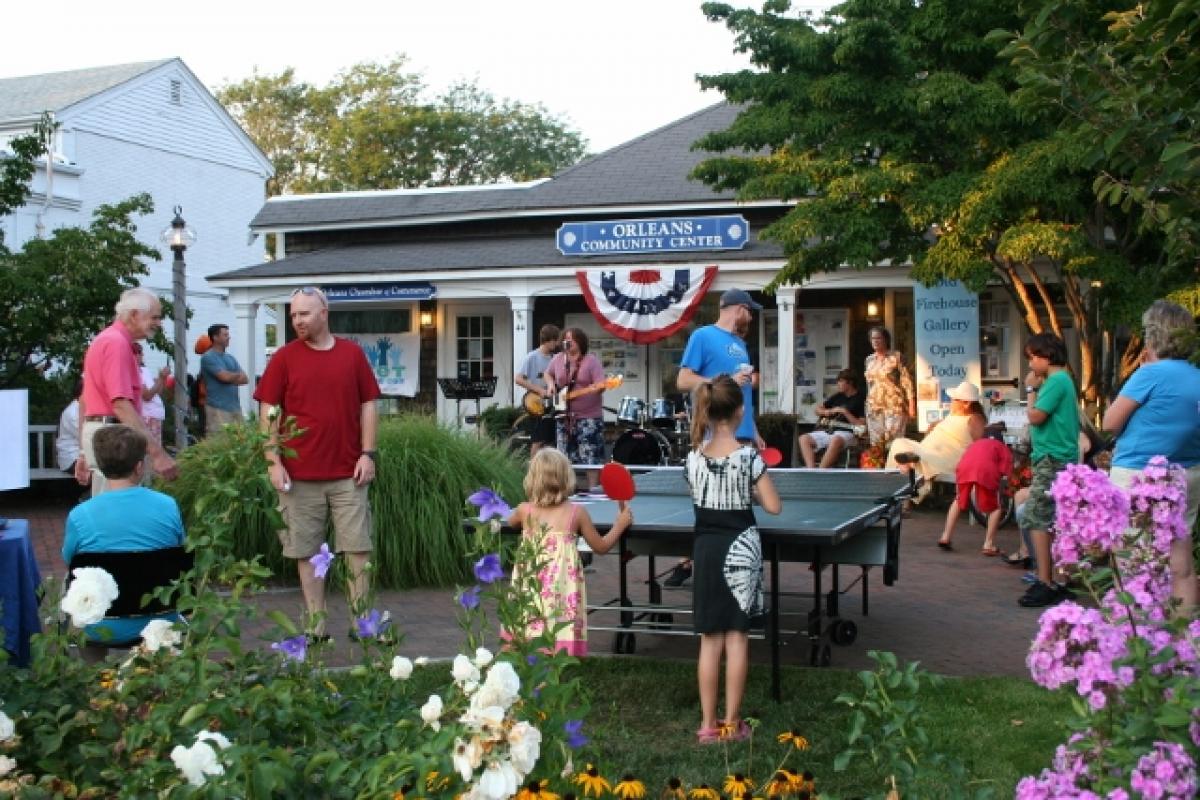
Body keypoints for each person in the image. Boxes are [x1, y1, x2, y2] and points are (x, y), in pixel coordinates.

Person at [254, 286, 382, 640]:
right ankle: (316, 626)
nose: (297, 321)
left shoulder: (352, 355)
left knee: (357, 548)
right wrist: (272, 461)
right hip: (298, 475)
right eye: (293, 315)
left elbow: (368, 404)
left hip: (348, 474)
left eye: (304, 314)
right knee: (306, 551)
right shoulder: (283, 358)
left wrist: (367, 453)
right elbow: (268, 411)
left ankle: (362, 623)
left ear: (324, 313)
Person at [687, 374, 781, 744]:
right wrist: (752, 491)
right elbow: (773, 506)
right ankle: (731, 723)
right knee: (737, 637)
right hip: (741, 546)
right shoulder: (749, 458)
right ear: (740, 411)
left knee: (710, 639)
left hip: (706, 549)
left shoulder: (693, 458)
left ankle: (707, 726)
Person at [1103, 299, 1200, 609]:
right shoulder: (1197, 377)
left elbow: (1109, 422)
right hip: (1188, 472)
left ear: (1153, 335)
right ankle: (1185, 639)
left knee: (1129, 557)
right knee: (1181, 562)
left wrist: (1143, 373)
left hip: (1137, 472)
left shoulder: (1149, 375)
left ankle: (1134, 636)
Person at [668, 288, 765, 587]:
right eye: (749, 311)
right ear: (738, 309)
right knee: (711, 505)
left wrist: (754, 429)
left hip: (744, 436)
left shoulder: (740, 343)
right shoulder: (703, 336)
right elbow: (683, 380)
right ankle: (691, 561)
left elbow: (742, 396)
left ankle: (738, 565)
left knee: (740, 506)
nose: (750, 316)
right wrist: (721, 381)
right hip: (715, 435)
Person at [61, 425, 186, 646]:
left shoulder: (80, 515)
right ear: (139, 467)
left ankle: (97, 674)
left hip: (102, 622)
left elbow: (70, 560)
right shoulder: (168, 506)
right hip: (161, 620)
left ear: (100, 465)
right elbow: (178, 549)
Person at [505, 448, 633, 655]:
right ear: (566, 478)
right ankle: (552, 673)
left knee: (529, 625)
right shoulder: (576, 513)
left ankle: (534, 678)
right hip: (561, 587)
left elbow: (509, 522)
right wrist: (620, 524)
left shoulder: (523, 511)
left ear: (532, 479)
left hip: (531, 583)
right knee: (558, 628)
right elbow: (600, 547)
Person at [75, 287, 178, 495]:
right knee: (116, 513)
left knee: (108, 508)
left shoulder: (106, 339)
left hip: (102, 432)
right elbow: (121, 404)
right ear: (134, 315)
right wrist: (157, 453)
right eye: (155, 317)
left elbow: (85, 400)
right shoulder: (116, 344)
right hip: (114, 437)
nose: (158, 323)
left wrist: (84, 451)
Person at [1018, 333, 1080, 608]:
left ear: (1046, 355)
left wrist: (1030, 391)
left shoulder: (1055, 381)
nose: (1030, 364)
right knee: (1051, 518)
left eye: (1032, 357)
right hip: (1056, 455)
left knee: (1037, 517)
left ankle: (1045, 581)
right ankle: (1056, 578)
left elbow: (1035, 416)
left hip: (1051, 456)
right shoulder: (1062, 380)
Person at [886, 381, 984, 502]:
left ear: (966, 403)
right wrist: (935, 426)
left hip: (947, 458)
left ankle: (902, 495)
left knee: (906, 456)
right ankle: (904, 488)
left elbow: (980, 446)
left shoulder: (975, 419)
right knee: (899, 444)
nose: (951, 402)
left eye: (955, 400)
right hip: (930, 452)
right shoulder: (953, 415)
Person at [544, 327, 612, 493]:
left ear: (580, 342)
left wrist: (595, 389)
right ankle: (566, 491)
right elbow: (548, 374)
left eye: (571, 339)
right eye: (565, 339)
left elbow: (601, 385)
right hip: (563, 415)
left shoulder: (591, 361)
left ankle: (593, 490)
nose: (567, 342)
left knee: (589, 456)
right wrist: (551, 385)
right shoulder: (558, 359)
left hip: (588, 417)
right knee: (563, 455)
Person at [936, 410, 1012, 554]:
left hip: (964, 468)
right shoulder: (1001, 447)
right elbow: (1005, 472)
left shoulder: (975, 444)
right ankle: (988, 544)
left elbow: (965, 459)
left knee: (958, 500)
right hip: (986, 471)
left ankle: (945, 536)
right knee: (996, 507)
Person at [864, 325, 916, 455]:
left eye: (879, 338)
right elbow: (869, 384)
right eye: (873, 338)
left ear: (886, 339)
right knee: (876, 443)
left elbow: (907, 381)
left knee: (893, 442)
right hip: (874, 406)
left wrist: (911, 405)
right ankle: (878, 470)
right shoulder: (869, 360)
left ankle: (895, 468)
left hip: (894, 405)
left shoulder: (896, 357)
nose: (875, 341)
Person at [798, 369, 865, 468]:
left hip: (848, 433)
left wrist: (845, 412)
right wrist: (826, 412)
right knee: (803, 438)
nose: (838, 384)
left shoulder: (860, 399)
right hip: (829, 430)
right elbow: (817, 409)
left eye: (841, 381)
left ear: (850, 383)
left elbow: (861, 424)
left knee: (836, 439)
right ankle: (811, 470)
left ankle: (821, 471)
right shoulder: (838, 396)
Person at [514, 324, 561, 456]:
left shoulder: (555, 358)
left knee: (552, 439)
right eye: (556, 340)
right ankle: (534, 470)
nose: (557, 344)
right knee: (538, 440)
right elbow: (518, 379)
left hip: (553, 403)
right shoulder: (532, 357)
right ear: (549, 340)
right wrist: (539, 390)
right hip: (537, 403)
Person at [200, 324, 248, 435]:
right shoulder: (208, 357)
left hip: (235, 407)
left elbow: (245, 379)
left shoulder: (230, 358)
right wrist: (235, 375)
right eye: (225, 335)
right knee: (220, 443)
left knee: (241, 441)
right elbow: (224, 377)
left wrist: (229, 376)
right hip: (218, 409)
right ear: (215, 337)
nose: (229, 337)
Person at [133, 343, 168, 448]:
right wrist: (161, 378)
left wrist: (163, 378)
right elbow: (147, 396)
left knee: (156, 446)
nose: (142, 354)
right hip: (147, 416)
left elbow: (158, 392)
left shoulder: (145, 370)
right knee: (150, 450)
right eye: (138, 352)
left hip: (155, 416)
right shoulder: (135, 372)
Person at [56, 378, 84, 475]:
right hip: (71, 459)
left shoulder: (83, 408)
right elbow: (87, 438)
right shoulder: (72, 413)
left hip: (82, 456)